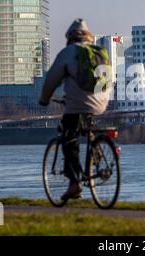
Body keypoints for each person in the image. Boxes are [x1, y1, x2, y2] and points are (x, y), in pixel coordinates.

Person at [39, 18, 109, 200]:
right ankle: (96, 152)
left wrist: (44, 99)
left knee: (69, 138)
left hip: (77, 105)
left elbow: (51, 80)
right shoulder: (101, 52)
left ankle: (74, 184)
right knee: (88, 126)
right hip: (102, 102)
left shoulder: (68, 53)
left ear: (70, 37)